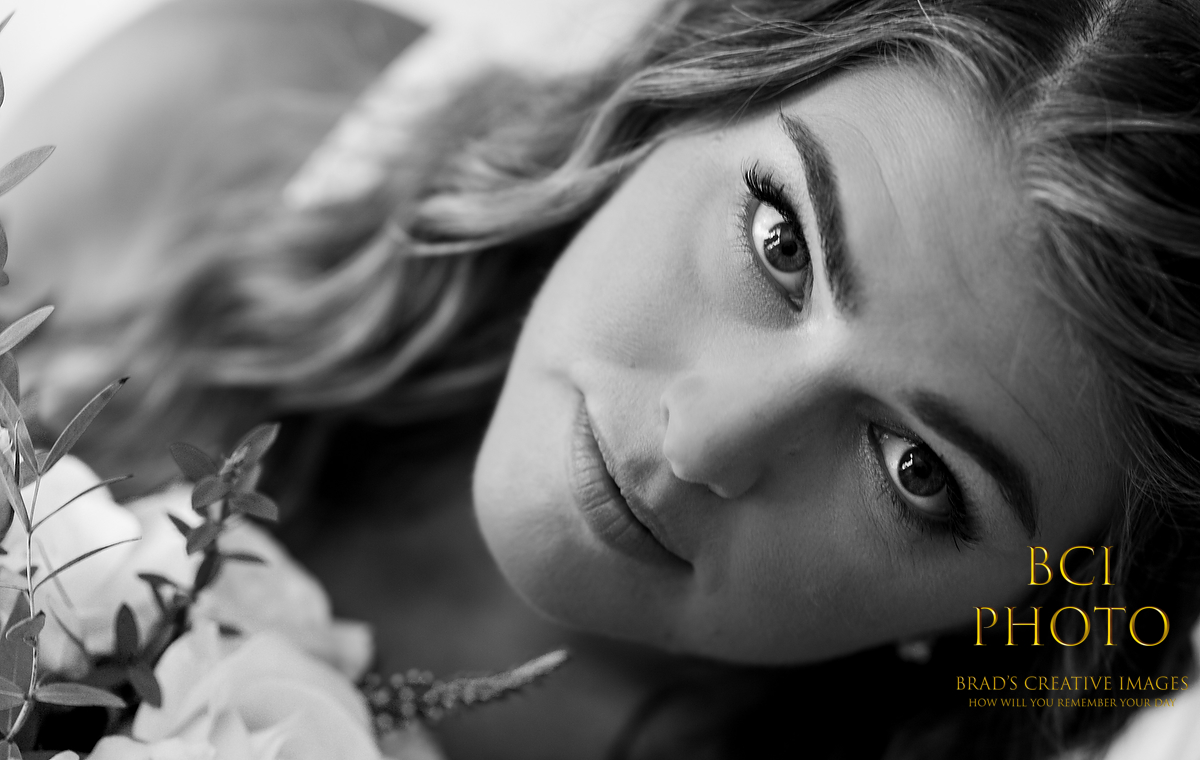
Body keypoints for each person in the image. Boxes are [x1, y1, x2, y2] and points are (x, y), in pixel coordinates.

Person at [2, 0, 1200, 757]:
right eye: (781, 242)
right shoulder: (224, 112)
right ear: (685, 94)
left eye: (917, 472)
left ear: (1032, 620)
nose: (707, 442)